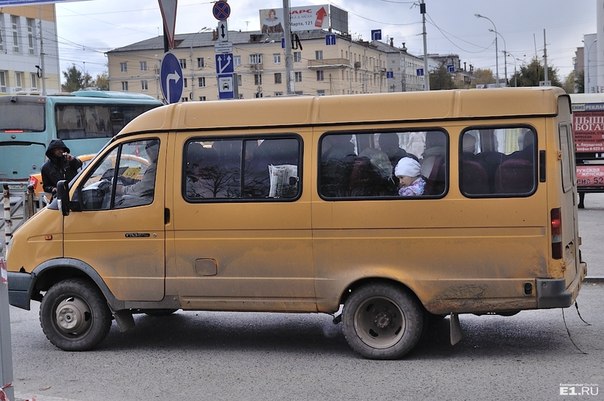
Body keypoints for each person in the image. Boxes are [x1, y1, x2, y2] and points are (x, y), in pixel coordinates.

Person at [115, 140, 159, 207]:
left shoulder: (156, 167)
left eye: (149, 147)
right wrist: (129, 180)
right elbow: (147, 183)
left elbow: (140, 189)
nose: (148, 152)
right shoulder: (157, 166)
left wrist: (120, 189)